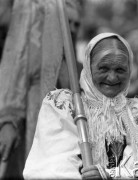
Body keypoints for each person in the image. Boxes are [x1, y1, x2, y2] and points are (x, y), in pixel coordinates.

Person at [23, 33, 138, 179]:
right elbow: (53, 166)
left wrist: (109, 175)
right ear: (88, 67)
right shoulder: (64, 104)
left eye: (120, 70)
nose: (112, 77)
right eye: (104, 68)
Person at [0, 0, 82, 178]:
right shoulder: (33, 51)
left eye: (77, 24)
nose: (73, 29)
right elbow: (15, 69)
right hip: (30, 127)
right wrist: (9, 120)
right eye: (69, 22)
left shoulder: (77, 67)